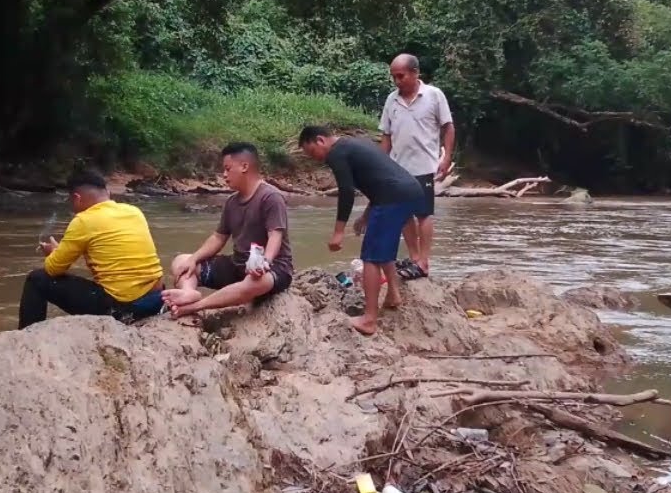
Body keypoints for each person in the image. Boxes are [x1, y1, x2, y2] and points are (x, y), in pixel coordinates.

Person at [298, 125, 423, 336]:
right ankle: (393, 294)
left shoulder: (336, 153)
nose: (315, 158)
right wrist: (366, 216)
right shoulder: (356, 143)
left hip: (392, 197)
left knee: (371, 258)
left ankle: (369, 319)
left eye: (312, 152)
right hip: (409, 190)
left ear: (320, 140)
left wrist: (338, 232)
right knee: (382, 249)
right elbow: (378, 180)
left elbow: (346, 192)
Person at [19, 169, 164, 329]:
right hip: (156, 299)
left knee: (37, 279)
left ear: (76, 198)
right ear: (107, 192)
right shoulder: (134, 211)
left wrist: (52, 254)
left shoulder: (83, 221)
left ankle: (26, 334)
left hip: (125, 309)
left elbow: (53, 269)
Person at [165, 142, 294, 319]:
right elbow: (218, 237)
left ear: (244, 166)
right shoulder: (232, 202)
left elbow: (275, 235)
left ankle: (196, 306)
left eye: (227, 169)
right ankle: (188, 293)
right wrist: (194, 259)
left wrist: (265, 263)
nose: (224, 175)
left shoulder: (271, 197)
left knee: (255, 283)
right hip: (238, 265)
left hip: (272, 269)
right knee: (181, 261)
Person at [379, 53, 455, 276]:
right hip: (397, 167)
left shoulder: (433, 95)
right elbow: (386, 135)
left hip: (424, 166)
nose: (397, 81)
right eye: (393, 77)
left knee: (423, 213)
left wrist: (447, 156)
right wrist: (382, 166)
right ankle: (413, 257)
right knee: (403, 214)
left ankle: (424, 261)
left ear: (415, 73)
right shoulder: (391, 100)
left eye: (401, 76)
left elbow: (448, 127)